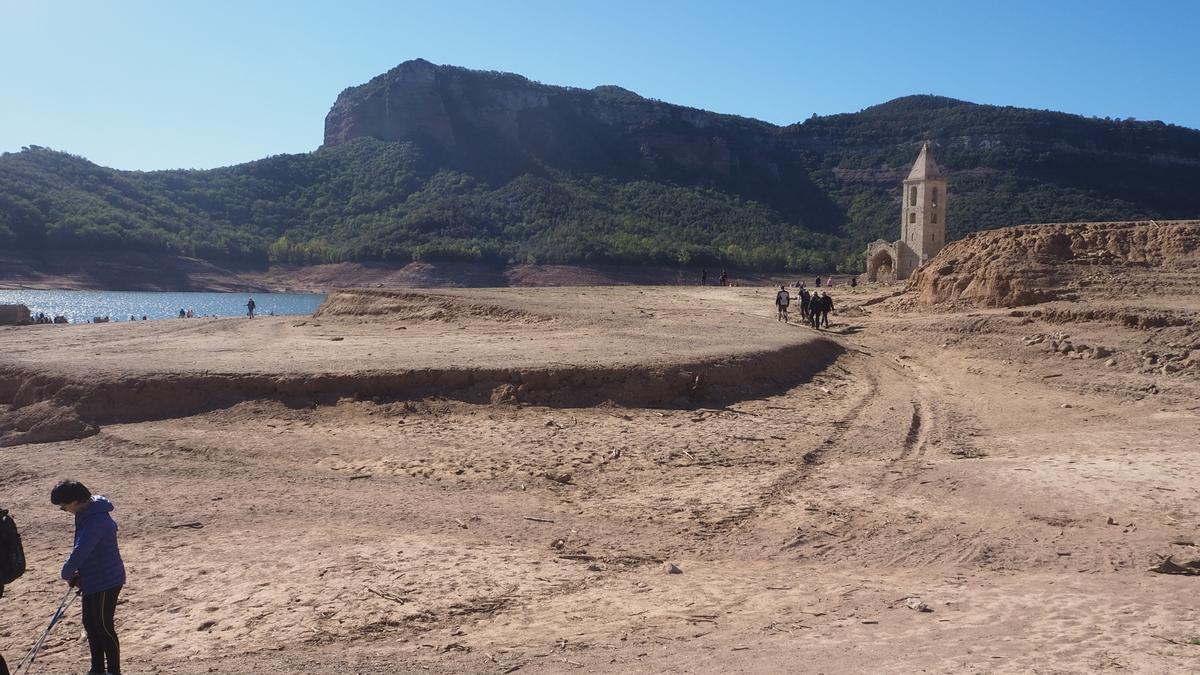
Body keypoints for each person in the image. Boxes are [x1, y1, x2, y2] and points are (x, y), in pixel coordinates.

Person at [51, 480, 125, 675]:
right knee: (90, 624)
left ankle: (114, 671)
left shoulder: (96, 521)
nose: (63, 509)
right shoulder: (85, 514)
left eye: (63, 506)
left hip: (106, 580)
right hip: (92, 578)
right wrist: (77, 574)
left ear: (75, 501)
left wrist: (67, 572)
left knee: (103, 626)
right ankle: (97, 668)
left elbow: (81, 551)